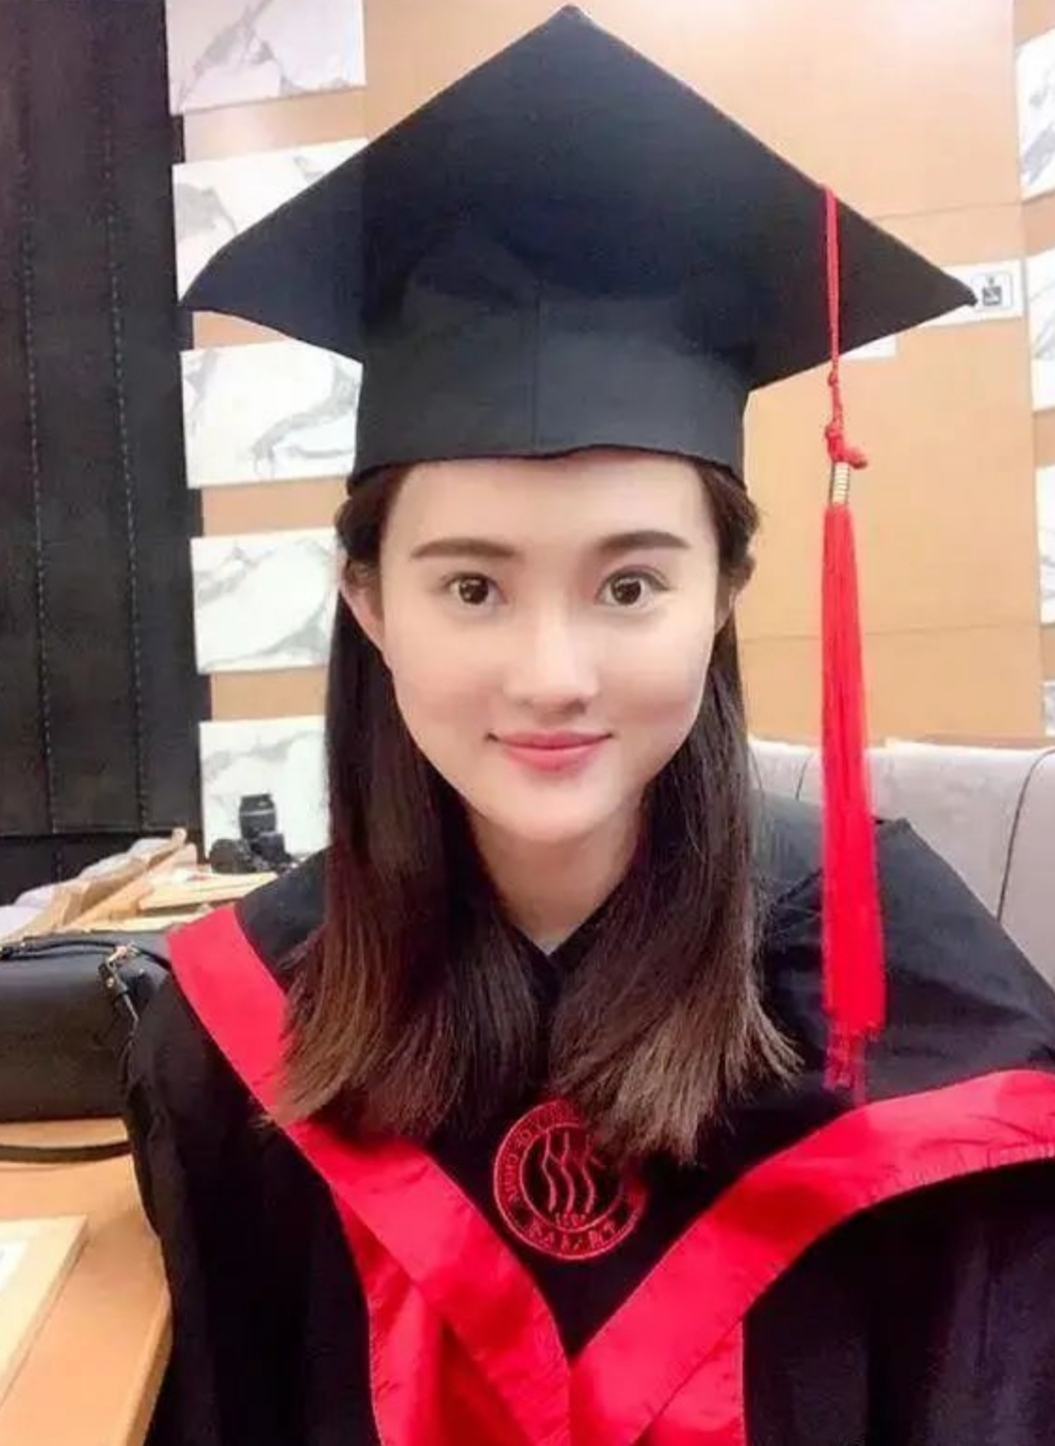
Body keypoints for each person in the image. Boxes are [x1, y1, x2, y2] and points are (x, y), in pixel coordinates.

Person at [123, 9, 1055, 1445]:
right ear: (368, 601)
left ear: (725, 589)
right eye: (473, 586)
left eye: (629, 584)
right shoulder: (243, 1030)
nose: (552, 675)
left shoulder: (914, 1006)